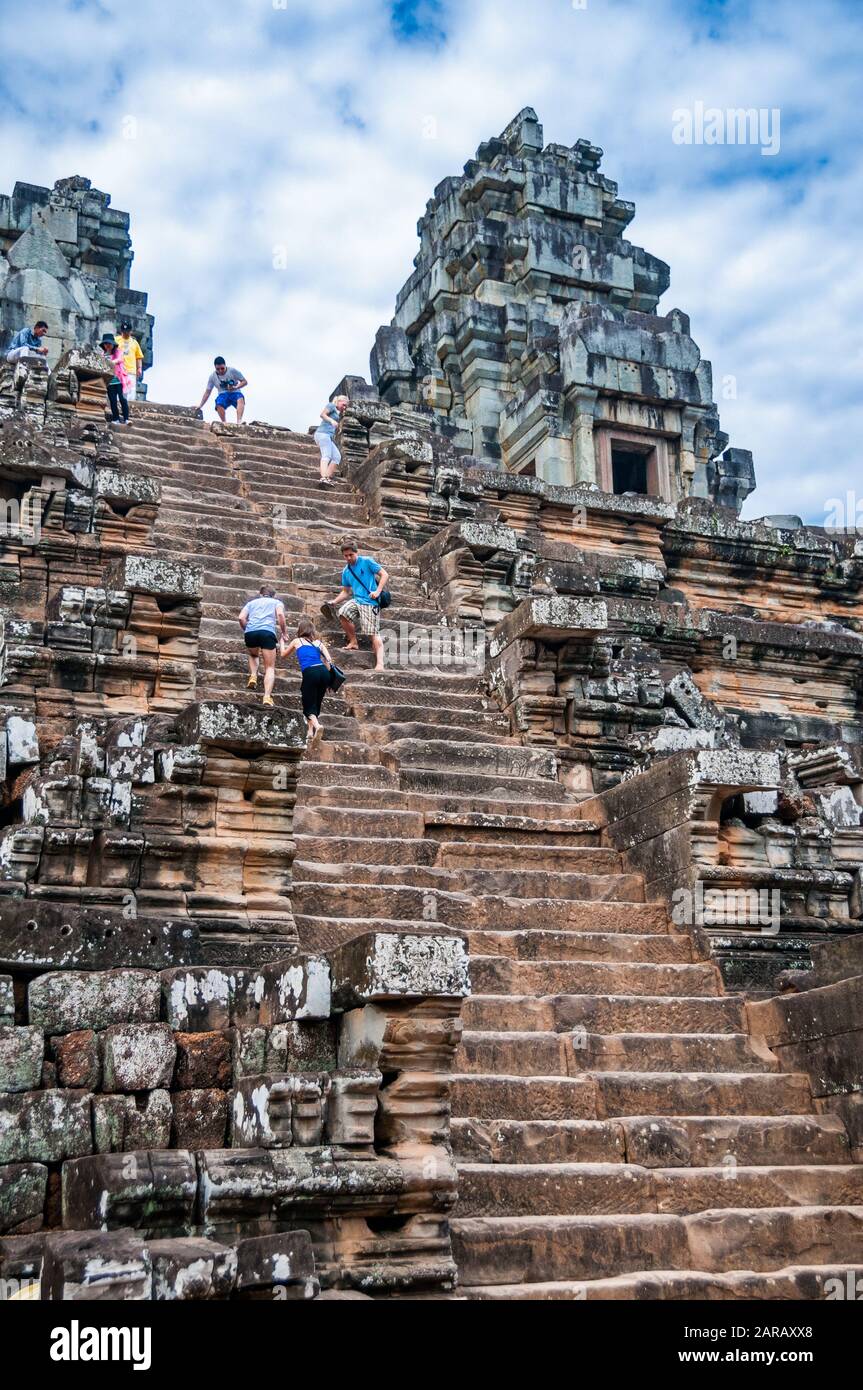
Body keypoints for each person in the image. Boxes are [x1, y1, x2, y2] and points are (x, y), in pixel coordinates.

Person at [322, 539, 389, 672]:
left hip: (370, 601)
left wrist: (378, 591)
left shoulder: (367, 561)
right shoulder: (346, 571)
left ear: (356, 552)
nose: (348, 558)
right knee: (343, 612)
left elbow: (384, 574)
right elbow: (346, 591)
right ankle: (353, 641)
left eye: (350, 555)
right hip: (357, 600)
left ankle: (380, 663)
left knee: (373, 632)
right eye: (345, 556)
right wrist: (334, 601)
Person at [281, 617, 333, 741]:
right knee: (316, 702)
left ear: (301, 630)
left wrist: (282, 641)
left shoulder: (297, 641)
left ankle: (317, 725)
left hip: (311, 672)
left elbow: (283, 655)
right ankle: (310, 732)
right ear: (312, 631)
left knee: (308, 704)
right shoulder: (319, 643)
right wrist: (330, 680)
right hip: (324, 673)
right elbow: (329, 661)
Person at [239, 584, 288, 707]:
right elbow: (281, 615)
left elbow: (241, 618)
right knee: (270, 667)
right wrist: (284, 632)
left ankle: (253, 676)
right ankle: (266, 696)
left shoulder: (251, 603)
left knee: (253, 653)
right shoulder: (277, 602)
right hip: (267, 632)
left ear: (260, 594)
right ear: (273, 595)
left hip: (250, 632)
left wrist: (247, 629)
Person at [195, 357, 248, 423]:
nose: (220, 371)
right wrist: (200, 405)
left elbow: (245, 382)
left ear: (225, 365)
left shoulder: (232, 371)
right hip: (223, 394)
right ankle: (224, 422)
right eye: (218, 369)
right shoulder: (212, 377)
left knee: (240, 398)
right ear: (215, 368)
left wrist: (236, 387)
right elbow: (207, 392)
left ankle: (239, 421)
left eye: (222, 368)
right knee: (218, 403)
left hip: (235, 392)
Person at [314, 395, 348, 486]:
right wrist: (331, 421)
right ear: (339, 401)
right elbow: (322, 414)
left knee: (337, 457)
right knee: (326, 455)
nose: (344, 407)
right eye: (343, 405)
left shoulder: (337, 412)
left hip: (328, 436)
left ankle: (327, 478)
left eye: (346, 406)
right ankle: (323, 477)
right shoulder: (331, 405)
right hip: (322, 434)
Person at [99, 333, 131, 426]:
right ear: (104, 345)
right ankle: (116, 418)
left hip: (119, 380)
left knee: (122, 399)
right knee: (112, 400)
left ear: (113, 344)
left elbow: (119, 360)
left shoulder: (118, 352)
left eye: (109, 344)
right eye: (106, 344)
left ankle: (126, 419)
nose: (108, 346)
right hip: (110, 382)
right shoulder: (102, 355)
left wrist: (110, 362)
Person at [117, 322, 144, 401]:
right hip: (119, 370)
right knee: (119, 390)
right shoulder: (116, 340)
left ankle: (129, 409)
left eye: (127, 331)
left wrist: (139, 368)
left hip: (131, 371)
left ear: (130, 332)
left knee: (130, 392)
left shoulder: (134, 343)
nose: (125, 333)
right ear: (121, 331)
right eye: (124, 331)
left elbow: (139, 356)